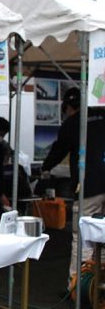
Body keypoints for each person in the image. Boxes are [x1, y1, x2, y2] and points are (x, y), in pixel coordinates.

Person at [41, 86, 105, 281]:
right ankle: (100, 285)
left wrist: (45, 167)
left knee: (83, 236)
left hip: (89, 186)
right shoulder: (103, 116)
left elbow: (59, 149)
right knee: (103, 235)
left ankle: (79, 287)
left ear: (69, 107)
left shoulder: (73, 122)